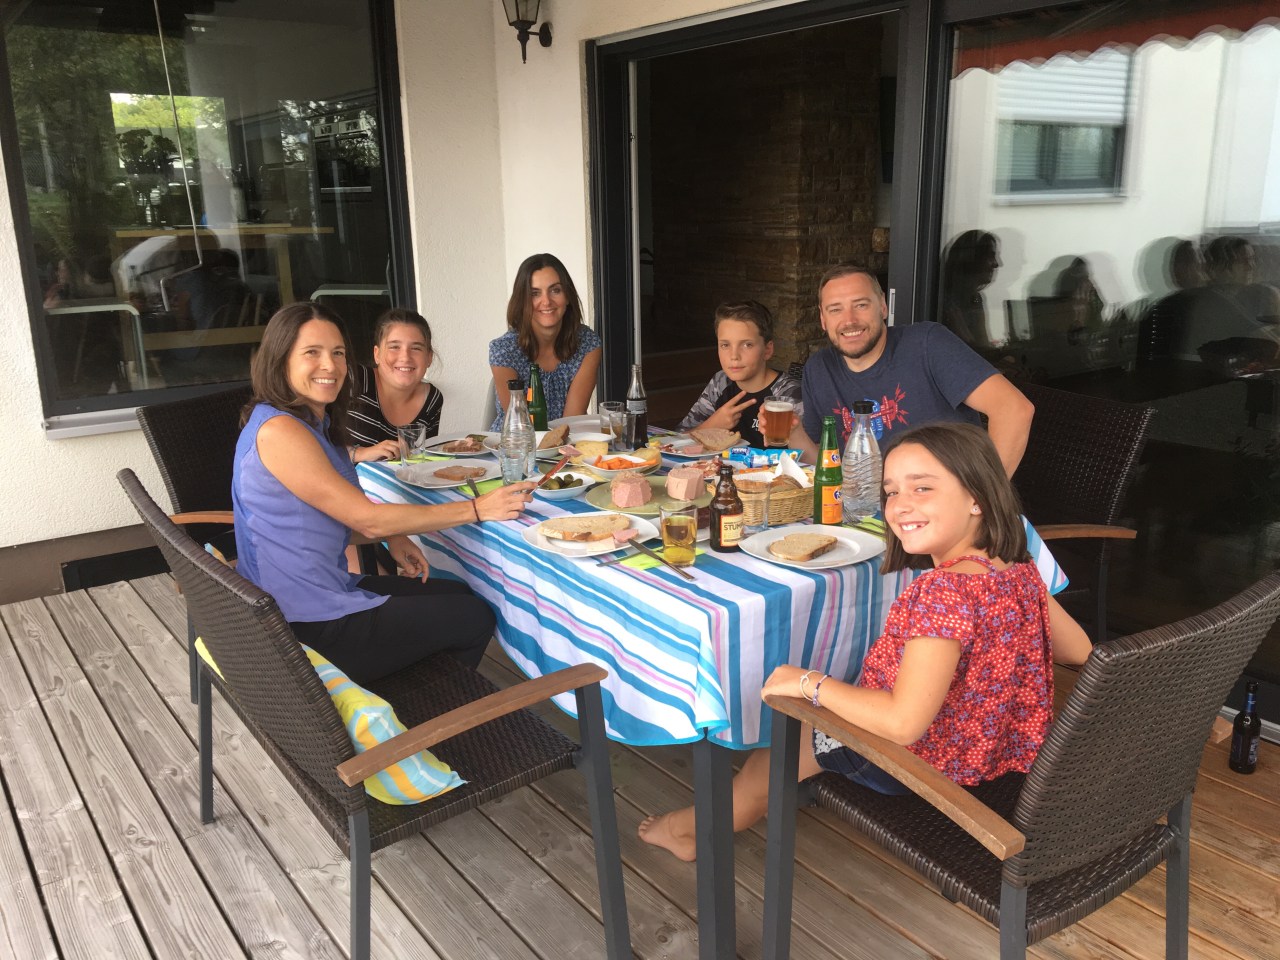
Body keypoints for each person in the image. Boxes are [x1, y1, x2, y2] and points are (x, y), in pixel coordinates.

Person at [638, 422, 1092, 861]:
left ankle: (684, 831)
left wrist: (808, 683)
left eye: (922, 488)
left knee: (770, 760)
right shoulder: (1015, 567)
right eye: (891, 492)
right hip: (993, 749)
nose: (900, 506)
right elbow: (1078, 650)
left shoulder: (945, 592)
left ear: (977, 498)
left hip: (919, 761)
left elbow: (902, 725)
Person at [233, 301, 537, 685]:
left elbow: (322, 518)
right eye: (312, 352)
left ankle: (414, 688)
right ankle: (416, 706)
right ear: (280, 360)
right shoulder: (281, 431)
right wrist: (477, 508)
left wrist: (395, 538)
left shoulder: (310, 422)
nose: (330, 365)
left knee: (460, 593)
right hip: (302, 625)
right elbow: (367, 519)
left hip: (317, 593)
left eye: (338, 353)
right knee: (475, 617)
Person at [792, 263, 1034, 478]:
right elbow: (824, 463)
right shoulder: (819, 369)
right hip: (863, 507)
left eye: (861, 305)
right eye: (835, 309)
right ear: (823, 319)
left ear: (883, 307)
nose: (849, 320)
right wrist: (793, 433)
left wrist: (981, 498)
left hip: (942, 502)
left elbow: (1014, 410)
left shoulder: (927, 344)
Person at [489, 253, 602, 430]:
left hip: (567, 438)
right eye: (535, 293)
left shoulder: (588, 343)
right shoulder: (503, 350)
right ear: (523, 301)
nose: (546, 301)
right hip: (516, 443)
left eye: (555, 290)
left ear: (567, 296)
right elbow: (522, 426)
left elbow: (571, 421)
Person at [676, 300, 803, 447]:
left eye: (747, 345)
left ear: (767, 350)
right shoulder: (720, 382)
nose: (734, 356)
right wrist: (711, 425)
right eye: (725, 345)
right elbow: (676, 441)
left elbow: (811, 455)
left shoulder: (788, 395)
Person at [346, 308, 444, 463]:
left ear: (429, 358)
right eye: (394, 347)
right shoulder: (355, 380)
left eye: (416, 348)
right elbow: (311, 439)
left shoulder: (432, 399)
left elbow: (422, 460)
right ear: (377, 354)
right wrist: (359, 454)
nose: (405, 357)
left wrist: (449, 448)